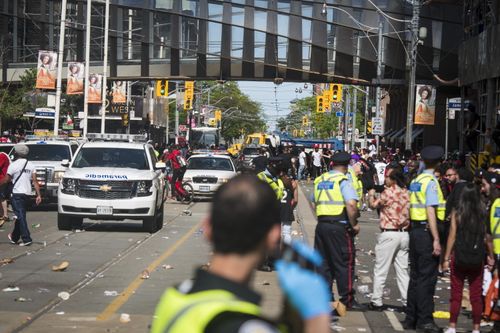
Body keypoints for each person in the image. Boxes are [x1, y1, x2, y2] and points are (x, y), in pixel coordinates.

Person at [150, 175, 331, 333]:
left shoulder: (174, 297)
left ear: (207, 228)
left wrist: (290, 316)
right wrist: (316, 316)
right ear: (273, 237)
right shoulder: (244, 326)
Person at [313, 151, 363, 311]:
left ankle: (325, 297)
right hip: (339, 226)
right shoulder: (343, 180)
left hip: (322, 225)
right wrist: (354, 223)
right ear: (347, 166)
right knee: (344, 263)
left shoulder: (320, 180)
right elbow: (351, 204)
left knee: (324, 263)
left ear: (332, 164)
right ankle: (347, 299)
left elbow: (315, 202)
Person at [403, 145, 445, 333]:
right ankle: (425, 320)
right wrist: (436, 238)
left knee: (416, 276)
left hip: (415, 231)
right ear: (439, 163)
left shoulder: (416, 180)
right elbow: (430, 210)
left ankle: (410, 318)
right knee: (427, 279)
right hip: (426, 232)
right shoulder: (431, 182)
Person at [442, 183, 492, 333]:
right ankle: (476, 328)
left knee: (456, 295)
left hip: (459, 256)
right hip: (477, 258)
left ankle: (452, 326)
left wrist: (446, 258)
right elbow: (486, 237)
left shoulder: (457, 213)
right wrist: (490, 255)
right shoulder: (483, 213)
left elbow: (452, 236)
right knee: (476, 296)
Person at [367, 168, 410, 311]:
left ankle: (376, 301)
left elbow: (373, 205)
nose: (385, 179)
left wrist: (371, 194)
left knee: (381, 269)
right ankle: (407, 301)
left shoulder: (388, 192)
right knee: (402, 271)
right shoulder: (407, 193)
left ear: (393, 180)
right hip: (404, 234)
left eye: (387, 177)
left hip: (389, 233)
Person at [0, 144, 42, 246]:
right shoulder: (31, 165)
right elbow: (35, 181)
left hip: (17, 194)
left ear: (16, 153)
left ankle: (26, 238)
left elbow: (7, 179)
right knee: (20, 215)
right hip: (27, 194)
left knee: (21, 216)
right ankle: (14, 238)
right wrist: (38, 195)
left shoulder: (13, 165)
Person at [280, 173, 298, 245]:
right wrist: (291, 207)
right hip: (287, 209)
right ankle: (286, 251)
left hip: (278, 207)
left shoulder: (277, 182)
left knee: (276, 231)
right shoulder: (292, 184)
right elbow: (296, 200)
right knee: (287, 232)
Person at [0, 149, 10, 226]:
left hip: (2, 179)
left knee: (2, 197)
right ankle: (3, 214)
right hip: (3, 178)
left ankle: (5, 214)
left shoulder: (2, 156)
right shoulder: (3, 155)